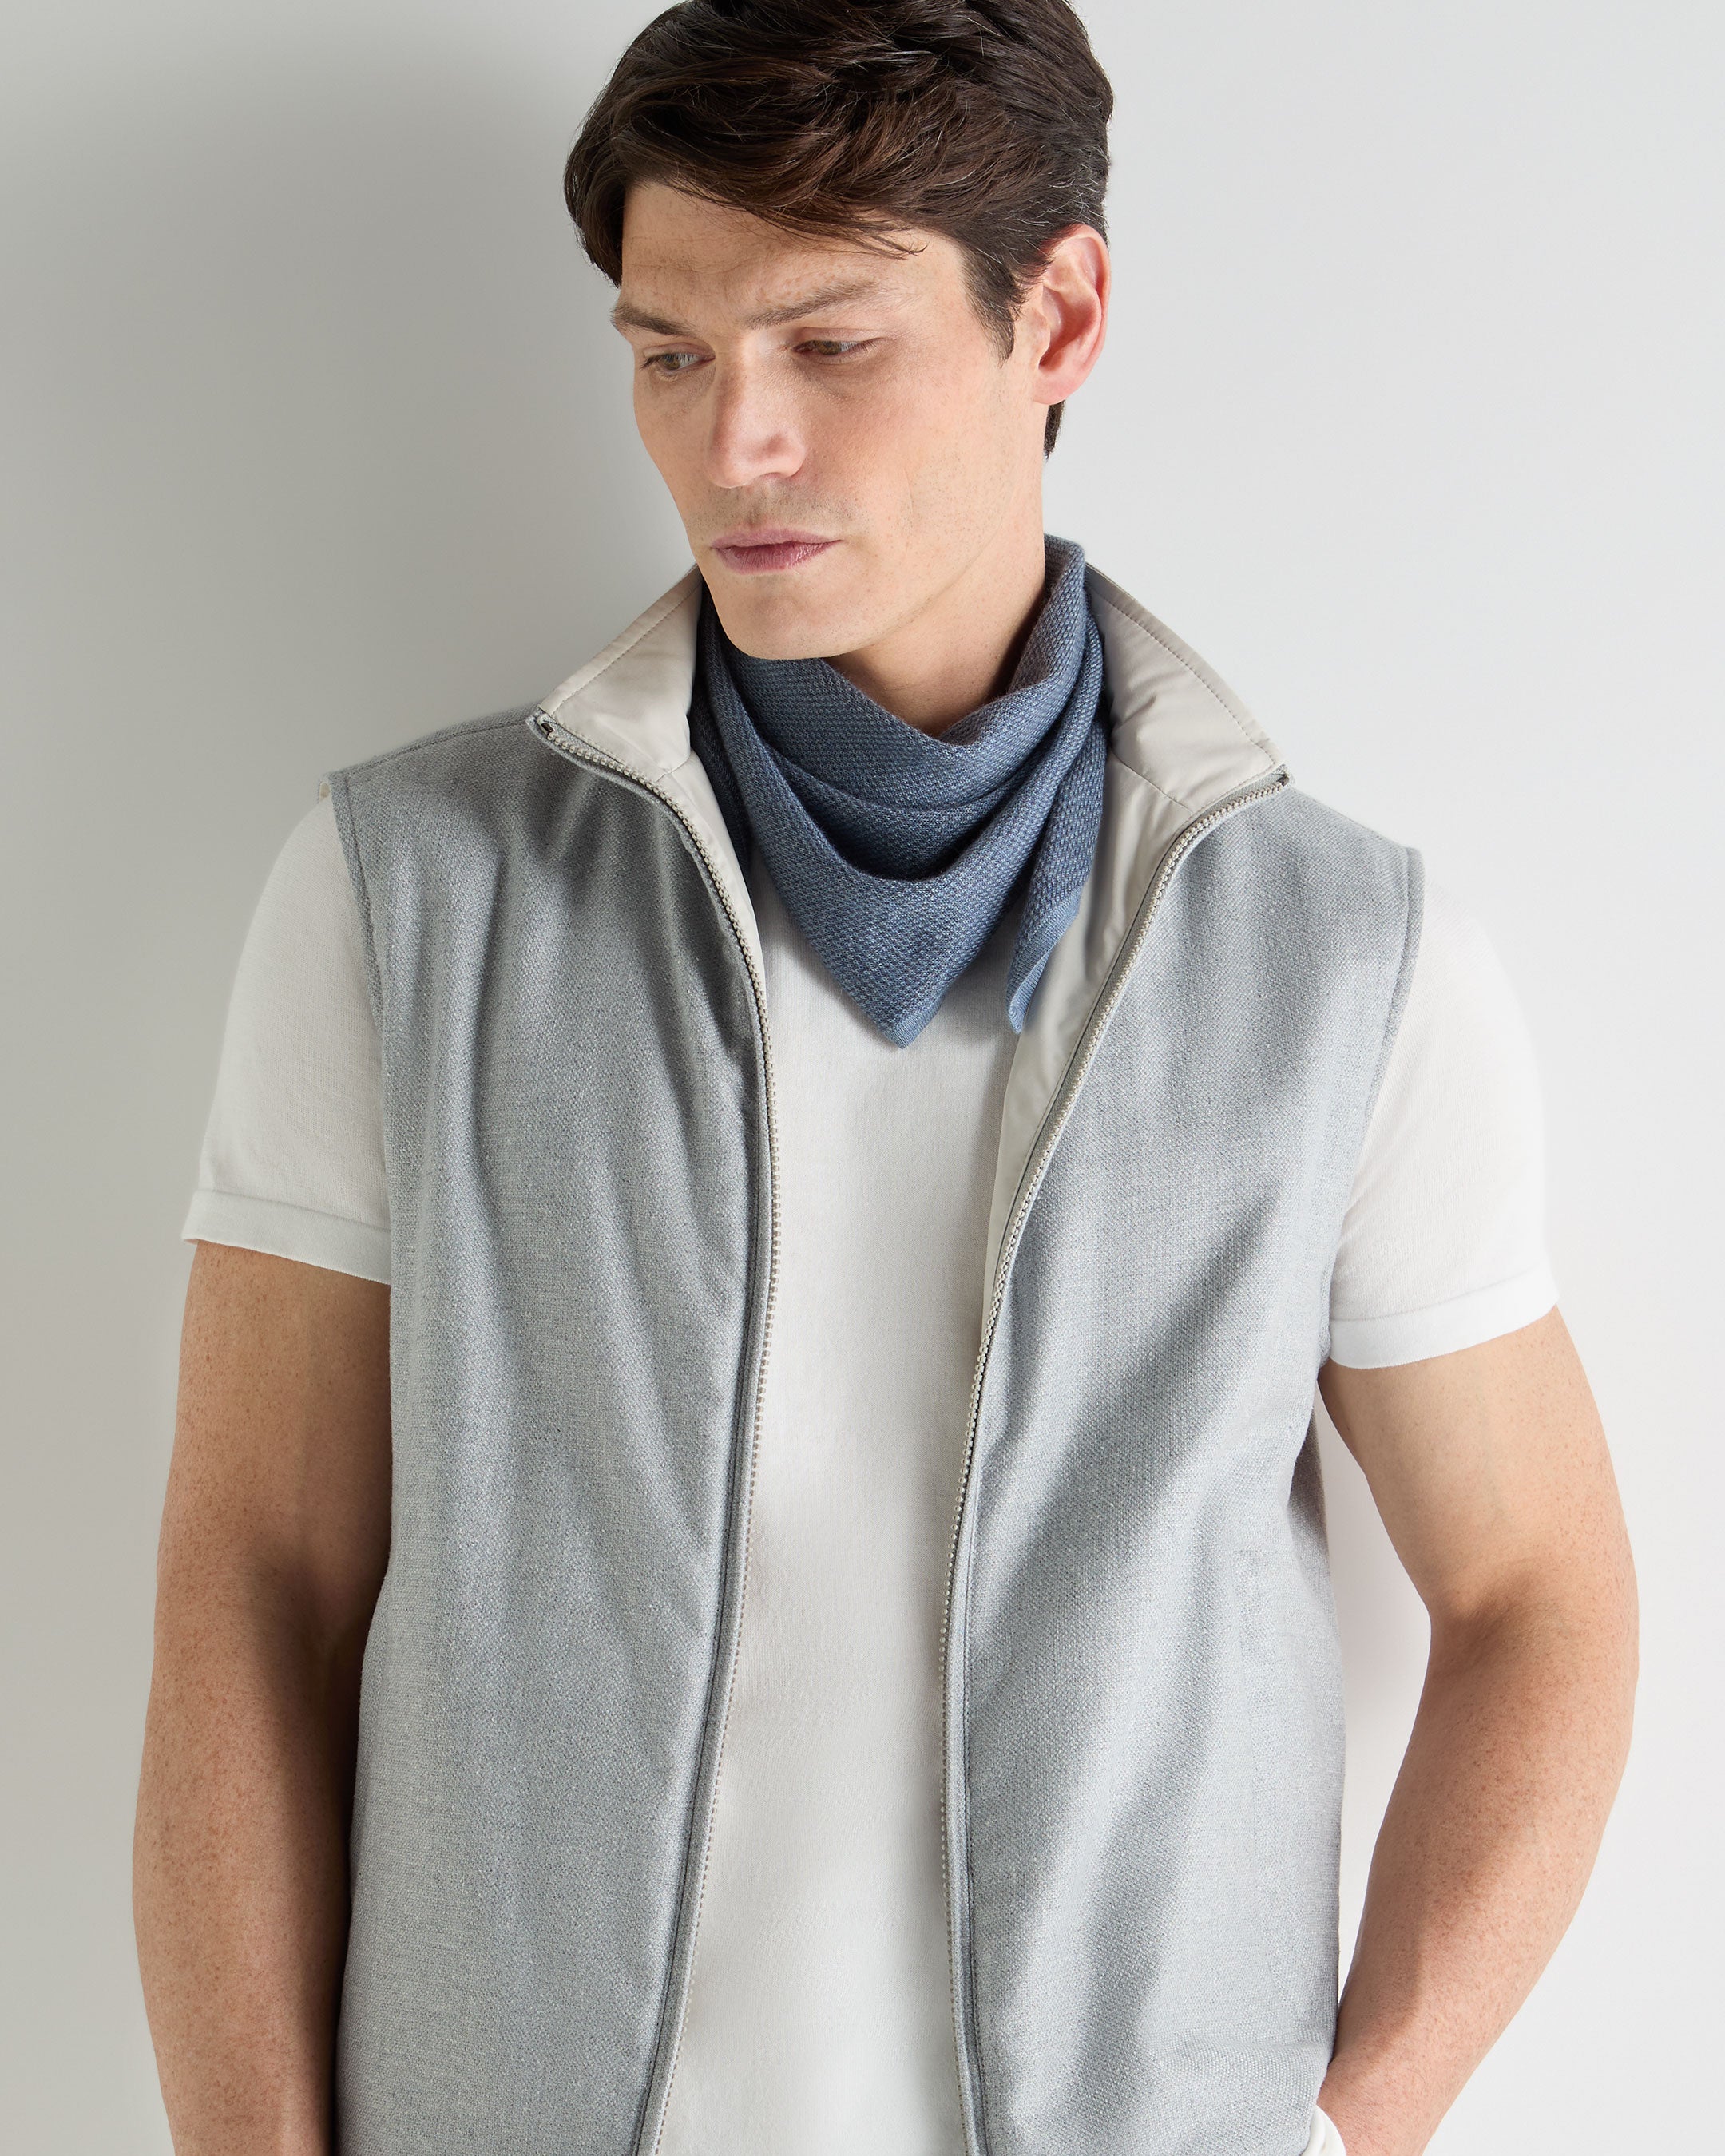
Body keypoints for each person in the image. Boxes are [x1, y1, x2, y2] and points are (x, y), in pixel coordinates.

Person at [132, 5, 1637, 2153]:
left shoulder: (1343, 965)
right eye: (668, 353)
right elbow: (254, 1582)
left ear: (1061, 315)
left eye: (829, 345)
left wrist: (1344, 2129)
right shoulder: (408, 897)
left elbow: (1538, 1593)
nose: (734, 439)